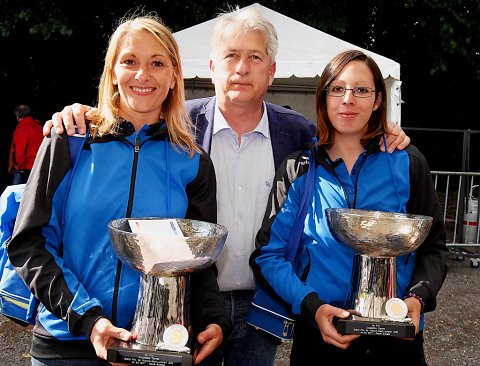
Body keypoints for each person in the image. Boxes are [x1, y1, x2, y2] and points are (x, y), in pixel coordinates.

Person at [42, 8, 411, 366]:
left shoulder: (299, 132)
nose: (242, 67)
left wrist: (387, 132)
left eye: (254, 56)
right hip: (185, 303)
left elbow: (347, 134)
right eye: (231, 55)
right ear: (212, 66)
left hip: (262, 303)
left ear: (272, 71)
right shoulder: (175, 128)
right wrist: (77, 114)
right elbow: (130, 108)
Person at [7, 15, 232, 366]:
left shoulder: (194, 161)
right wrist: (88, 320)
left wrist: (214, 319)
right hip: (67, 343)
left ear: (174, 76)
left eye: (157, 63)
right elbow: (28, 242)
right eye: (129, 61)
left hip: (152, 347)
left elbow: (198, 265)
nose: (143, 74)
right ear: (112, 72)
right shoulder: (69, 142)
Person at [250, 50, 448, 365]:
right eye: (338, 89)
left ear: (378, 100)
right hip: (321, 339)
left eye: (361, 90)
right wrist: (312, 306)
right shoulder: (299, 168)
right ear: (324, 97)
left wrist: (418, 298)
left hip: (398, 343)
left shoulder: (409, 163)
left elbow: (433, 248)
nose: (348, 99)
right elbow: (268, 257)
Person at [9, 104, 43, 184]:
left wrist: (20, 168)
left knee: (18, 193)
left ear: (17, 116)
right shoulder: (39, 126)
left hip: (25, 168)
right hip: (39, 166)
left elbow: (20, 151)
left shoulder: (21, 128)